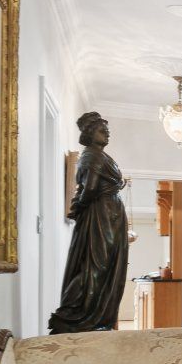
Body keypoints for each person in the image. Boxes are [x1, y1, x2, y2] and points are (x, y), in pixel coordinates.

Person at [47, 112, 129, 334]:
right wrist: (78, 207)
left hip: (108, 213)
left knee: (103, 265)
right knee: (97, 266)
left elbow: (90, 188)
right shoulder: (92, 156)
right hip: (102, 214)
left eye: (107, 132)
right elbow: (90, 188)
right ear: (90, 134)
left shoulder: (99, 156)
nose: (107, 135)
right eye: (103, 131)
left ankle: (96, 317)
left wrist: (78, 207)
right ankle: (83, 315)